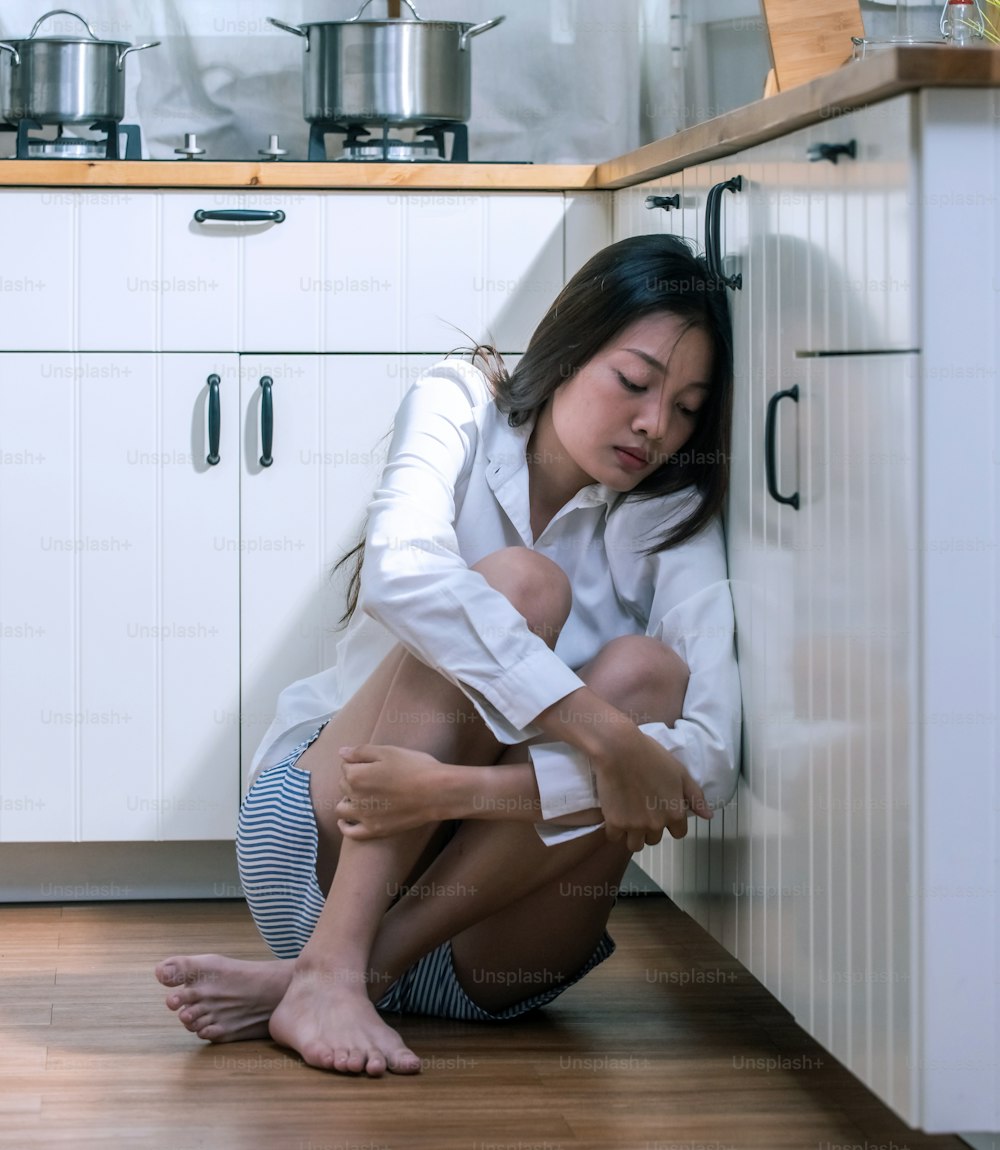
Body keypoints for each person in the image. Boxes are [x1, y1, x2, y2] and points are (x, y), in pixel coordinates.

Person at [155, 233, 742, 1078]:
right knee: (522, 587)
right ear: (572, 345)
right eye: (636, 382)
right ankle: (334, 952)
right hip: (329, 850)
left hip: (488, 938)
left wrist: (467, 792)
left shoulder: (671, 514)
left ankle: (333, 977)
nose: (655, 426)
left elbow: (708, 760)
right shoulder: (460, 400)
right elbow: (400, 573)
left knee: (651, 677)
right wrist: (602, 739)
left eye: (687, 408)